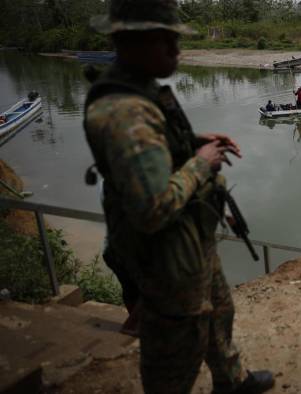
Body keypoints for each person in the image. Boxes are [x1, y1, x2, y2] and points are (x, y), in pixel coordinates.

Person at [82, 1, 275, 393]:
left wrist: (192, 141)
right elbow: (151, 210)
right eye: (165, 40)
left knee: (220, 313)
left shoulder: (141, 90)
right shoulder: (125, 114)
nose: (177, 50)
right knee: (176, 353)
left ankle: (232, 380)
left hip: (190, 243)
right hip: (165, 260)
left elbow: (159, 151)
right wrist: (201, 162)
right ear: (132, 42)